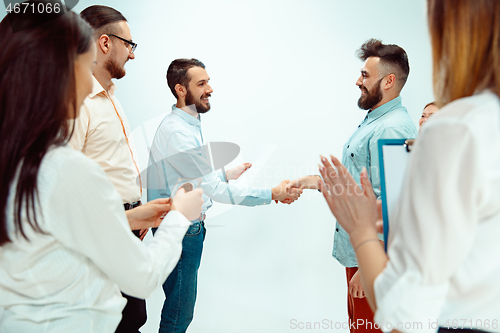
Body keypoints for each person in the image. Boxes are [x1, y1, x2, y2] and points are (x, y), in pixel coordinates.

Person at [0, 2, 204, 332]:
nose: (86, 80)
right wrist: (180, 214)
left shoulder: (19, 161)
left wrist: (125, 217)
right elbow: (143, 276)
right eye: (82, 65)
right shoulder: (64, 167)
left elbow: (54, 226)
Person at [319, 1, 500, 332]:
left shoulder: (455, 129)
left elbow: (404, 314)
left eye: (364, 74)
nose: (357, 81)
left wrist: (362, 234)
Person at [147, 58, 302, 332]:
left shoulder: (187, 125)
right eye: (202, 83)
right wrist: (273, 193)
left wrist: (223, 174)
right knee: (178, 315)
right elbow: (214, 192)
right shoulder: (178, 132)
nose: (210, 89)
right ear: (181, 89)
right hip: (182, 231)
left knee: (179, 310)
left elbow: (191, 179)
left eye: (209, 81)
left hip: (183, 229)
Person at [287, 39, 417, 332]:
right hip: (360, 255)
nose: (358, 81)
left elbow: (398, 205)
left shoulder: (392, 127)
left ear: (389, 81)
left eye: (365, 76)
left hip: (372, 261)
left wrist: (372, 263)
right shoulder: (375, 120)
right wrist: (316, 182)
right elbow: (364, 186)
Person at [69, 5, 149, 332]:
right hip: (102, 239)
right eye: (129, 45)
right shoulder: (77, 101)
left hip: (127, 230)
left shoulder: (112, 95)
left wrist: (137, 210)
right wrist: (125, 219)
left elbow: (111, 168)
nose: (133, 55)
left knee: (133, 318)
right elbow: (63, 191)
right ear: (105, 43)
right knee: (113, 323)